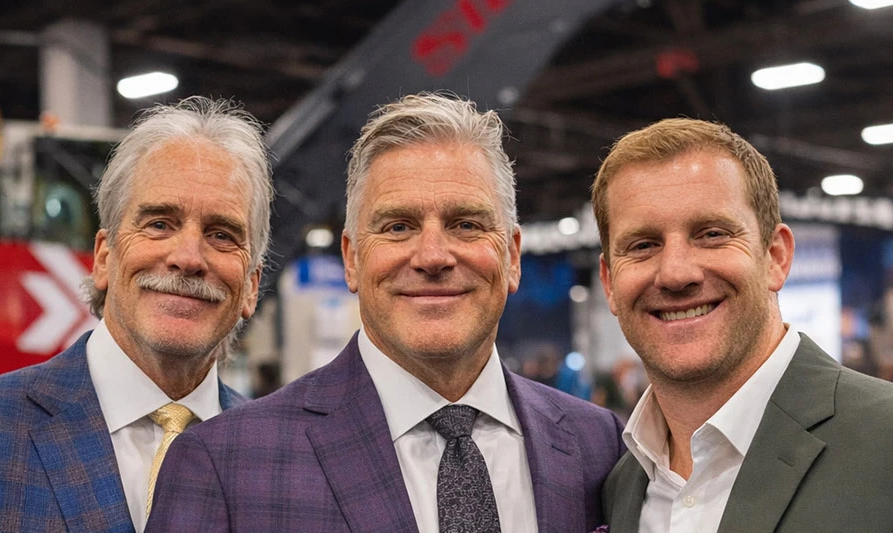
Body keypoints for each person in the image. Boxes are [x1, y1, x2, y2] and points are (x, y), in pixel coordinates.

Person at [146, 92, 625, 532]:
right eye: (398, 227)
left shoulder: (599, 445)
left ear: (512, 256)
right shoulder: (223, 462)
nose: (433, 255)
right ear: (352, 259)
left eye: (466, 224)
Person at [592, 117, 893, 532]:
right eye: (643, 245)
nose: (675, 273)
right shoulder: (620, 484)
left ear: (775, 257)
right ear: (609, 283)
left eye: (711, 234)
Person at [0, 96, 274, 532]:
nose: (188, 257)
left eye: (221, 234)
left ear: (252, 286)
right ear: (104, 259)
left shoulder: (285, 459)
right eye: (159, 224)